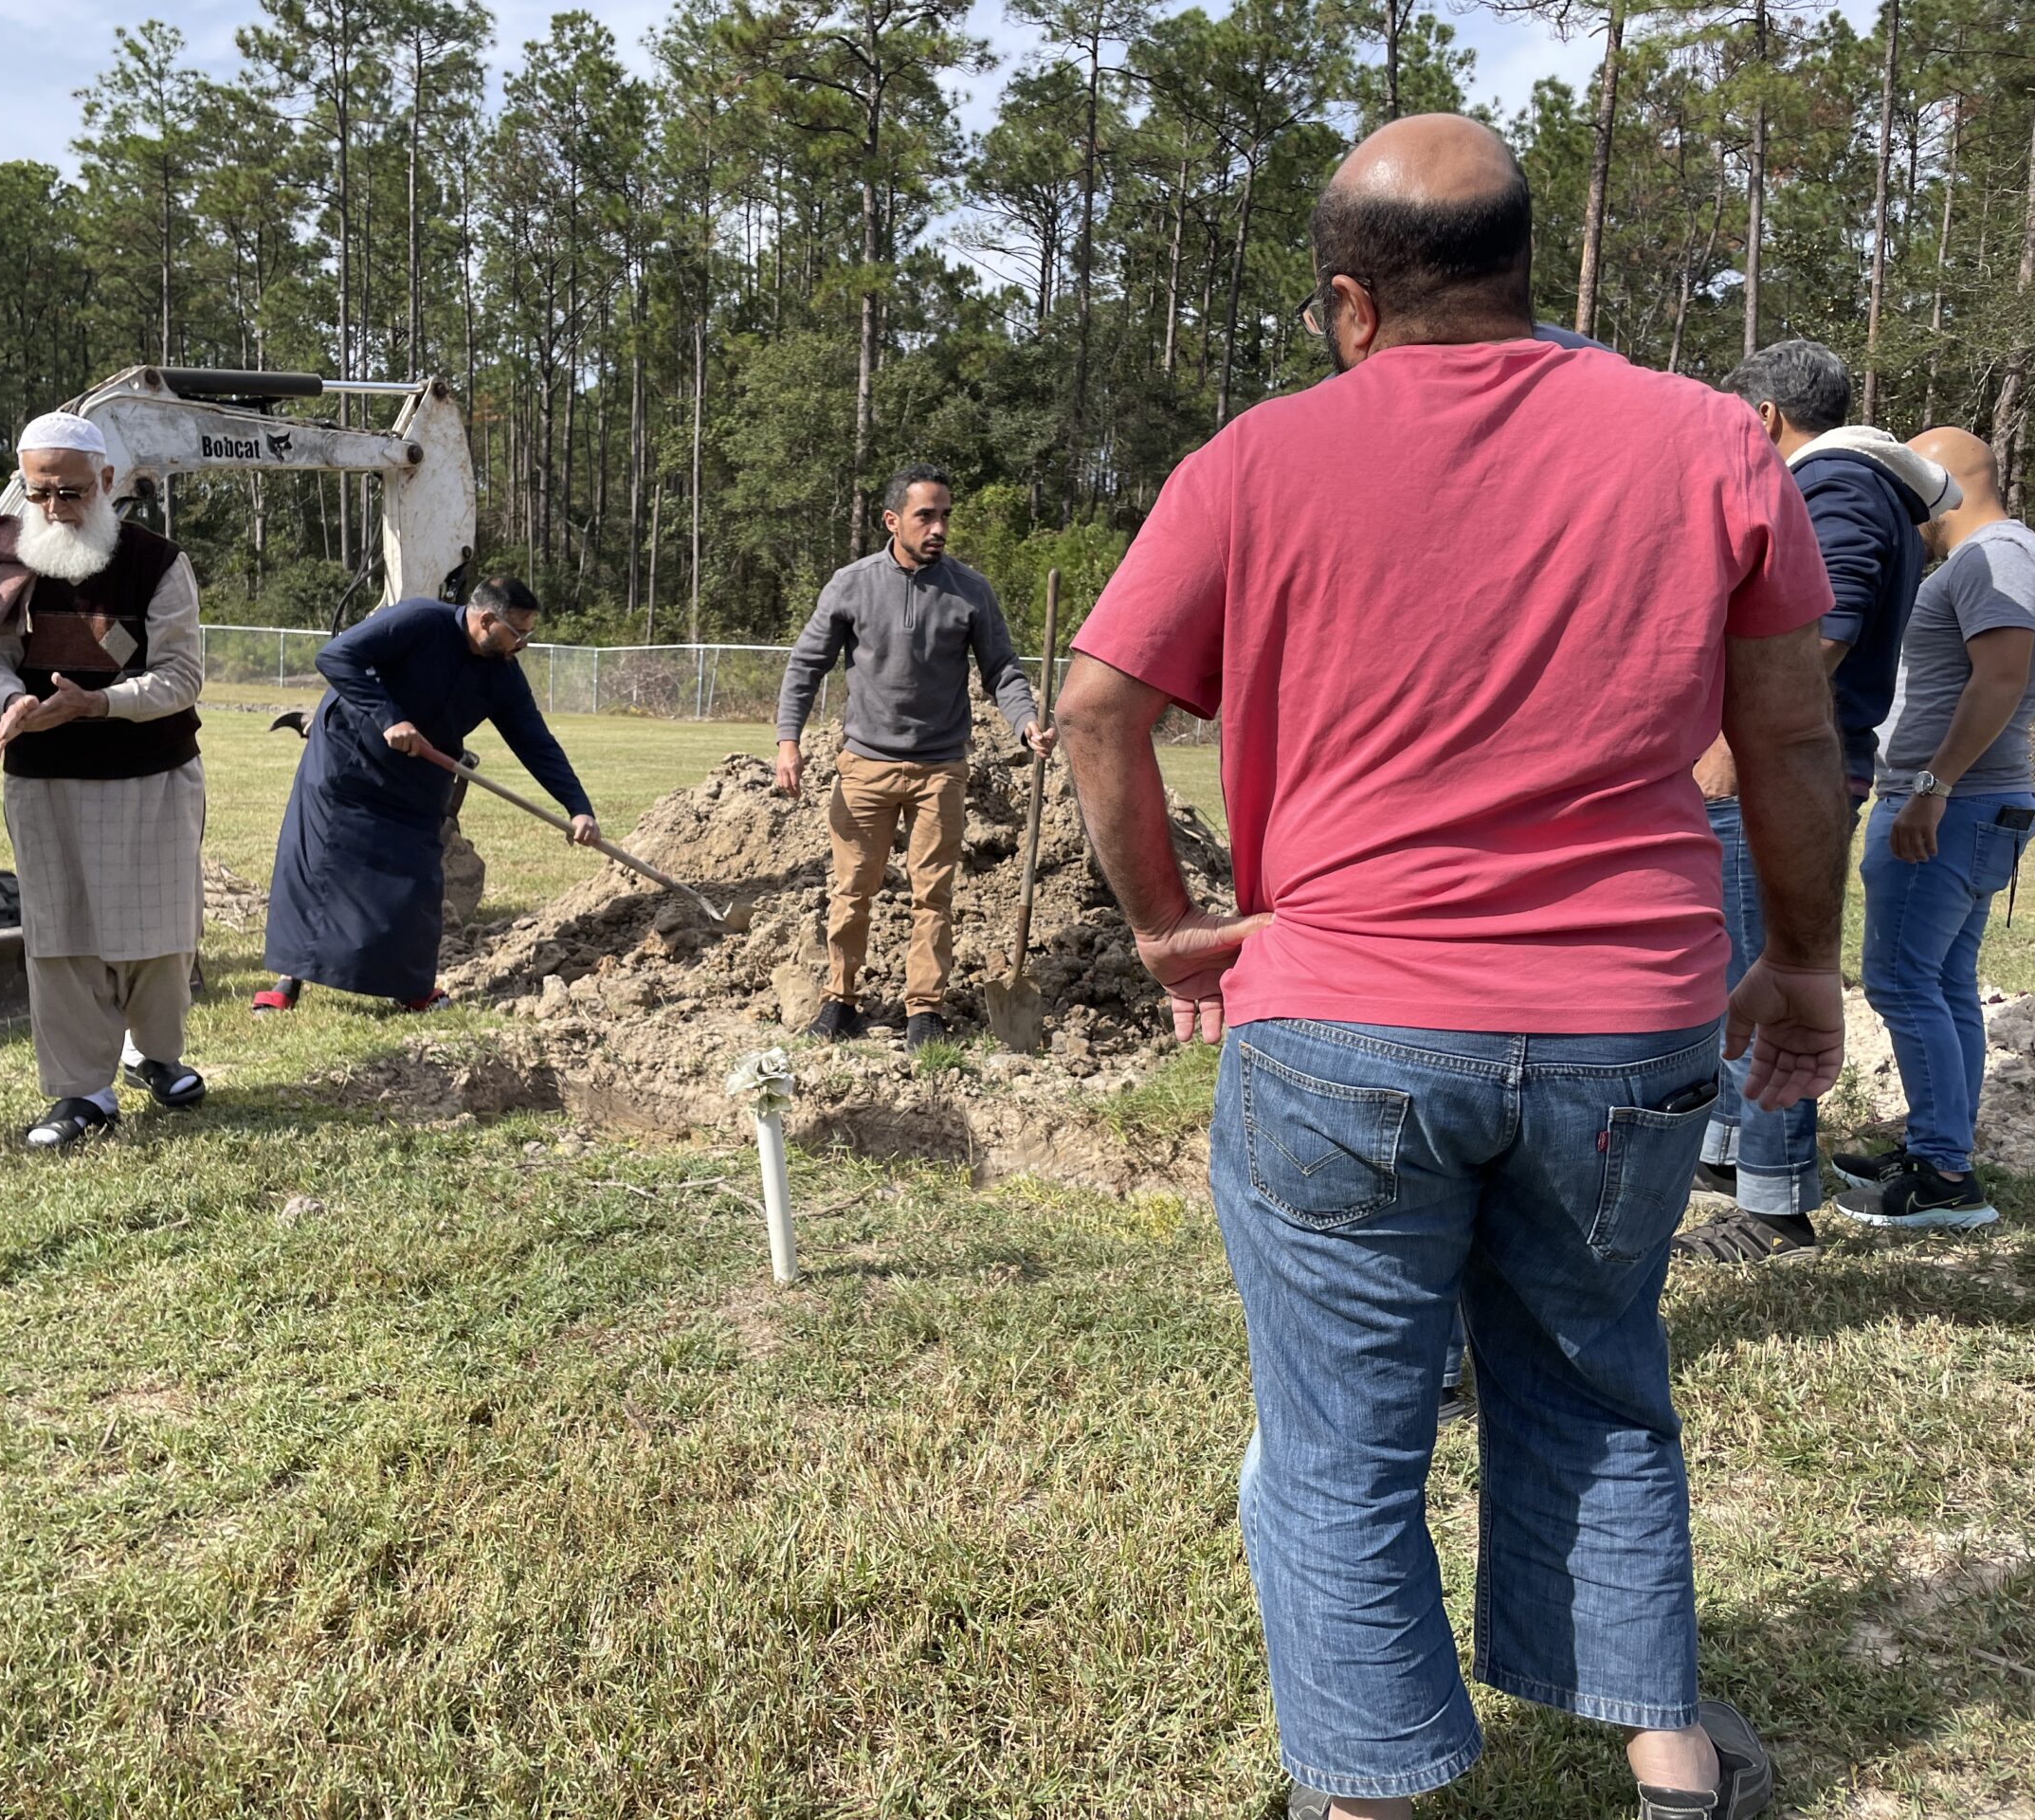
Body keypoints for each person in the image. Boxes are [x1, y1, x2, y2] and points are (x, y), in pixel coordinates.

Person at [1054, 116, 1848, 1820]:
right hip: (1625, 1027)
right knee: (1600, 1387)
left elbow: (1098, 707)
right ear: (1524, 268)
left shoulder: (1258, 460)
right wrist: (1799, 960)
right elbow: (1790, 735)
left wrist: (1162, 925)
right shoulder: (1716, 443)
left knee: (1343, 1441)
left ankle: (1362, 1796)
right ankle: (1674, 1768)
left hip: (1341, 1021)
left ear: (1352, 302)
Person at [1677, 343, 1957, 1264]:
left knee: (1767, 968)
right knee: (1738, 967)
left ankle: (1773, 1204)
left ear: (1760, 417)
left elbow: (1812, 638)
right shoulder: (1858, 484)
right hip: (1781, 770)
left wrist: (1724, 749)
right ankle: (1729, 1158)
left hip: (1780, 778)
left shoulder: (1833, 484)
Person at [0, 413, 209, 1150]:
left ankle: (151, 1053)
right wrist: (12, 701)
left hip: (152, 774)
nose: (56, 510)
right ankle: (82, 1092)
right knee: (61, 932)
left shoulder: (158, 563)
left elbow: (182, 677)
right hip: (46, 779)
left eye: (71, 493)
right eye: (40, 494)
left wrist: (97, 702)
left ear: (106, 483)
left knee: (160, 933)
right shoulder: (1, 559)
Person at [1833, 428, 2035, 1231]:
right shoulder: (1995, 556)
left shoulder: (1996, 555)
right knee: (1945, 981)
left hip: (1950, 804)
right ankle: (1939, 1148)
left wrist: (1932, 785)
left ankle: (1943, 1179)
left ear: (1944, 478)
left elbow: (2001, 676)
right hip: (1963, 801)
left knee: (1899, 981)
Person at [772, 464, 1052, 1048]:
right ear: (893, 520)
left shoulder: (970, 591)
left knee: (934, 895)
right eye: (926, 515)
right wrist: (787, 740)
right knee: (851, 890)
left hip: (941, 768)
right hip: (865, 766)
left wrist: (1026, 722)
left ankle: (923, 1009)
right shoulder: (851, 584)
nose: (939, 527)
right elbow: (805, 666)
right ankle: (841, 1001)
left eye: (945, 514)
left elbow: (1002, 669)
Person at [257, 577, 598, 1013]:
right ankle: (290, 978)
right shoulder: (420, 621)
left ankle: (410, 985)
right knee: (320, 867)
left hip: (418, 779)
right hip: (349, 762)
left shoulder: (503, 677)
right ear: (486, 620)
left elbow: (535, 741)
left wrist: (578, 807)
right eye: (519, 631)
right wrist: (389, 718)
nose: (525, 643)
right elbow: (336, 656)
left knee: (415, 879)